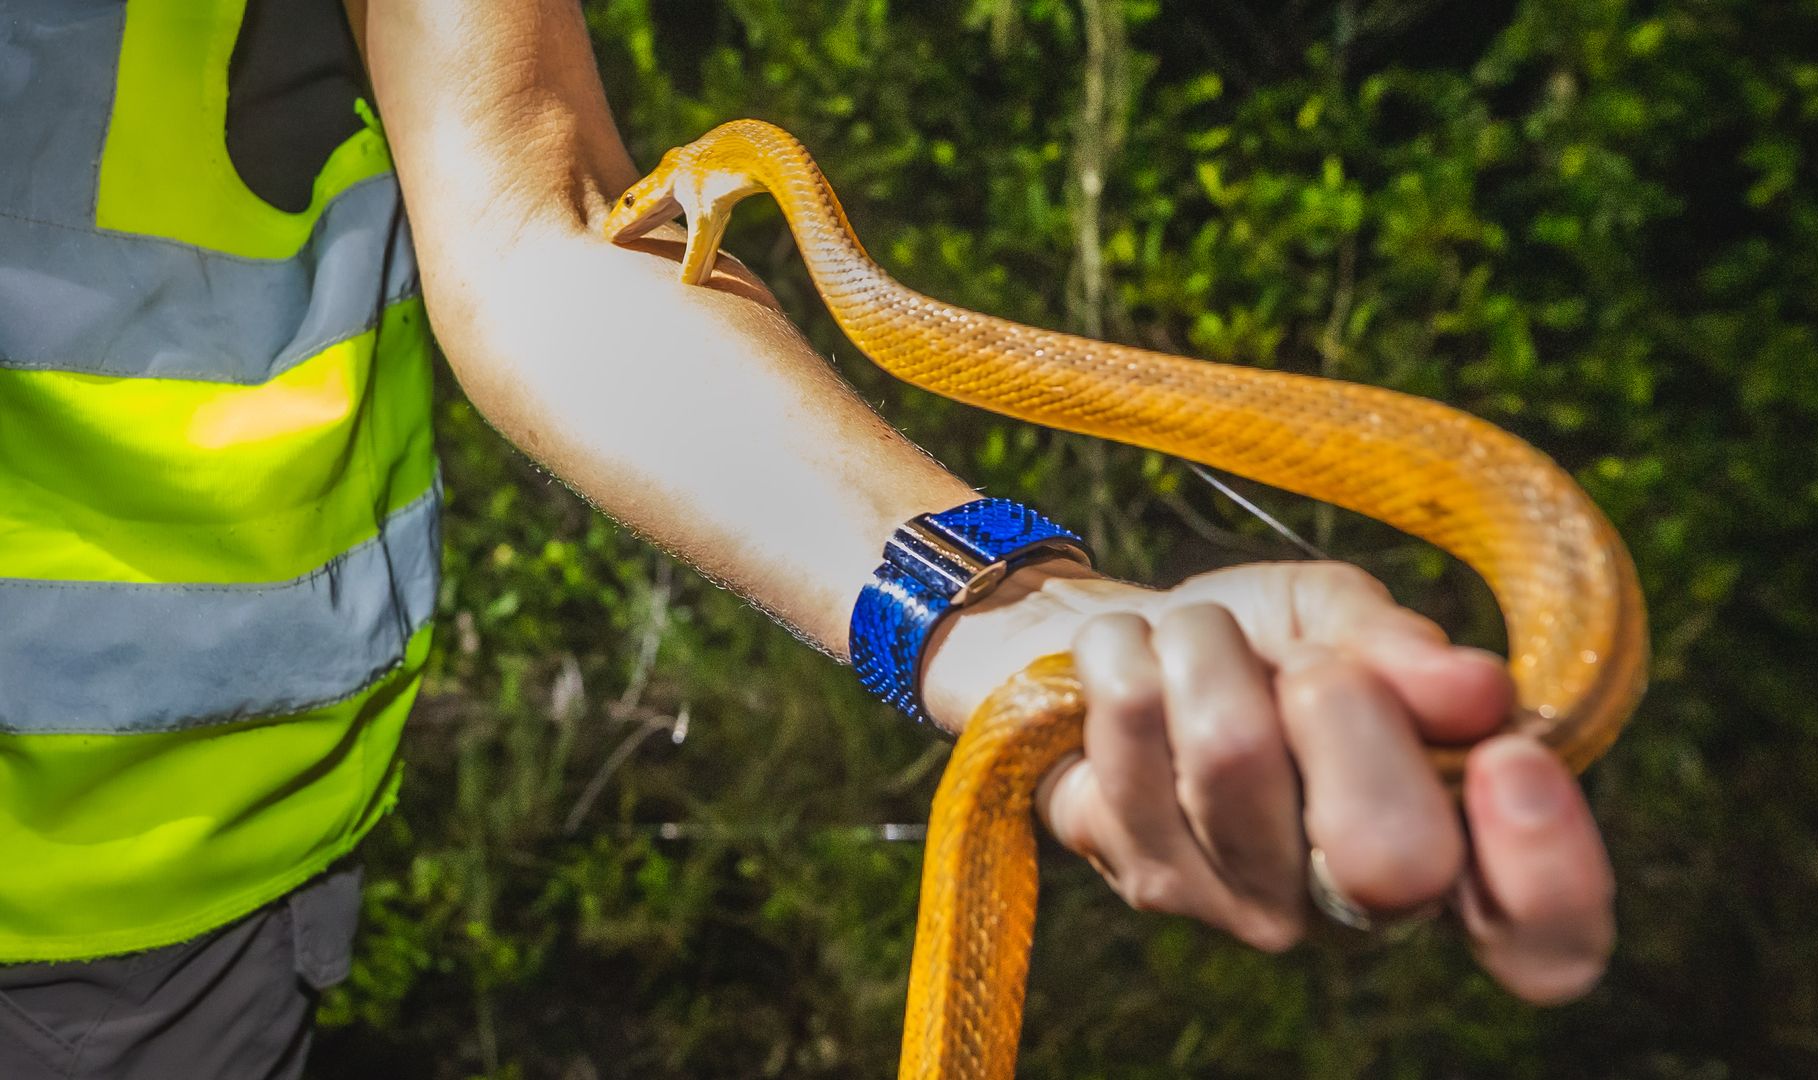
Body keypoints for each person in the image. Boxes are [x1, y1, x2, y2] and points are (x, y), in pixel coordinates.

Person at [0, 1, 1616, 1076]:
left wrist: (1001, 621)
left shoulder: (724, 219)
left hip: (158, 923)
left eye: (678, 211)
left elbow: (540, 228)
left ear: (721, 206)